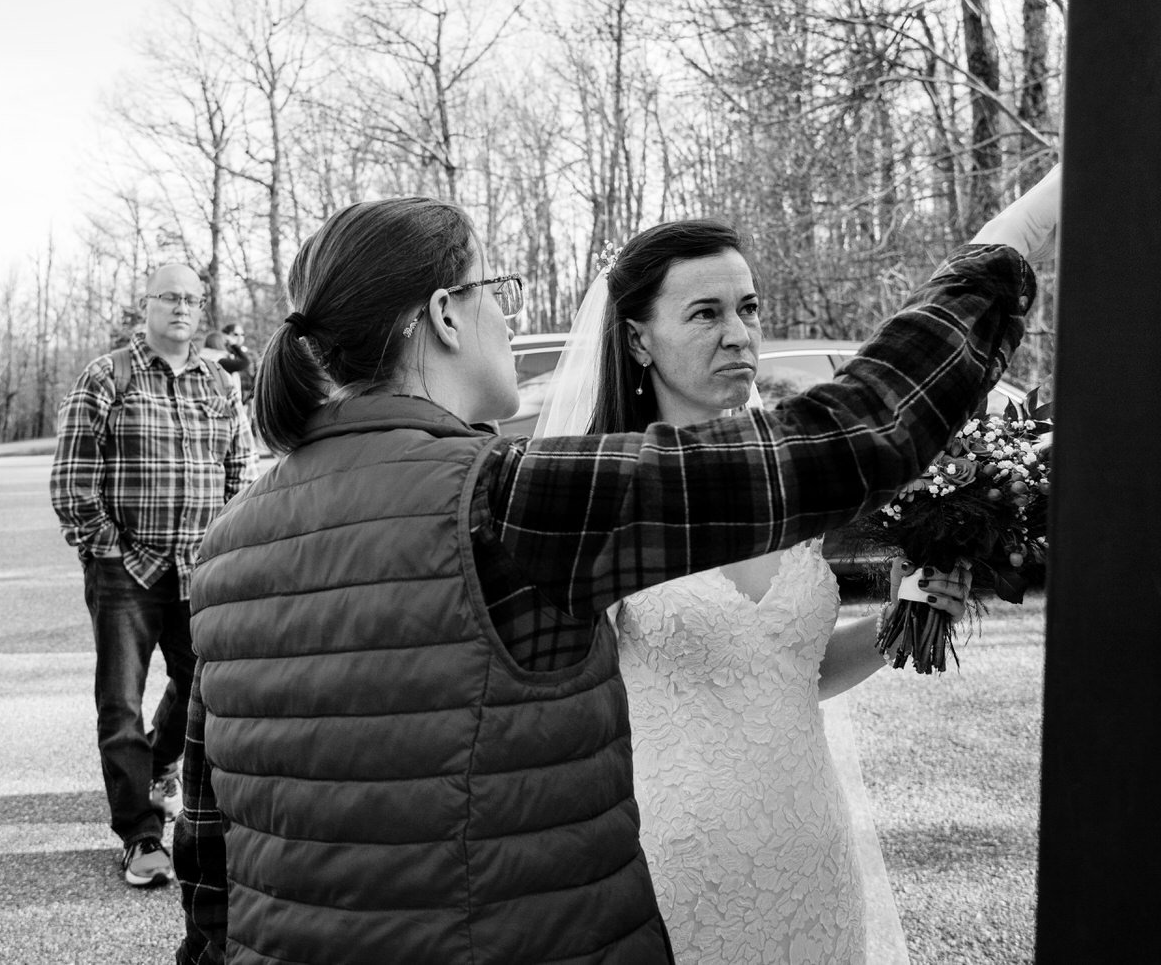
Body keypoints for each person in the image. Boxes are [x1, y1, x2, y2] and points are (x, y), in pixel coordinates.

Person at [173, 195, 1036, 965]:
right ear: (443, 314)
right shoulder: (507, 498)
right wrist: (1006, 250)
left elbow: (208, 863)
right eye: (498, 293)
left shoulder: (224, 549)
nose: (510, 320)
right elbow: (856, 436)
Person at [531, 167, 1061, 965]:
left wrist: (901, 621)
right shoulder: (611, 499)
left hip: (809, 841)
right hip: (673, 863)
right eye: (704, 313)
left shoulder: (788, 486)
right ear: (638, 337)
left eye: (746, 308)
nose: (739, 333)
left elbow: (793, 673)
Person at [51, 264, 257, 890]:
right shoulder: (106, 376)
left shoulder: (220, 381)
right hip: (126, 572)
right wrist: (105, 548)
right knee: (119, 703)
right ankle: (141, 835)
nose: (182, 309)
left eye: (192, 300)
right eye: (170, 297)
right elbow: (72, 479)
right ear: (145, 305)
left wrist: (225, 547)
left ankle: (160, 760)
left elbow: (239, 471)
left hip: (198, 570)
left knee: (200, 687)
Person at [219, 322, 255, 410]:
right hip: (229, 403)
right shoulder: (222, 354)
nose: (240, 338)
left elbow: (257, 377)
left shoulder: (250, 355)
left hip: (248, 402)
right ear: (226, 336)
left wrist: (251, 398)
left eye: (242, 334)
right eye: (235, 334)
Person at [201, 330, 245, 400]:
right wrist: (234, 345)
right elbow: (245, 362)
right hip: (225, 400)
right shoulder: (220, 360)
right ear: (221, 343)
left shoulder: (202, 357)